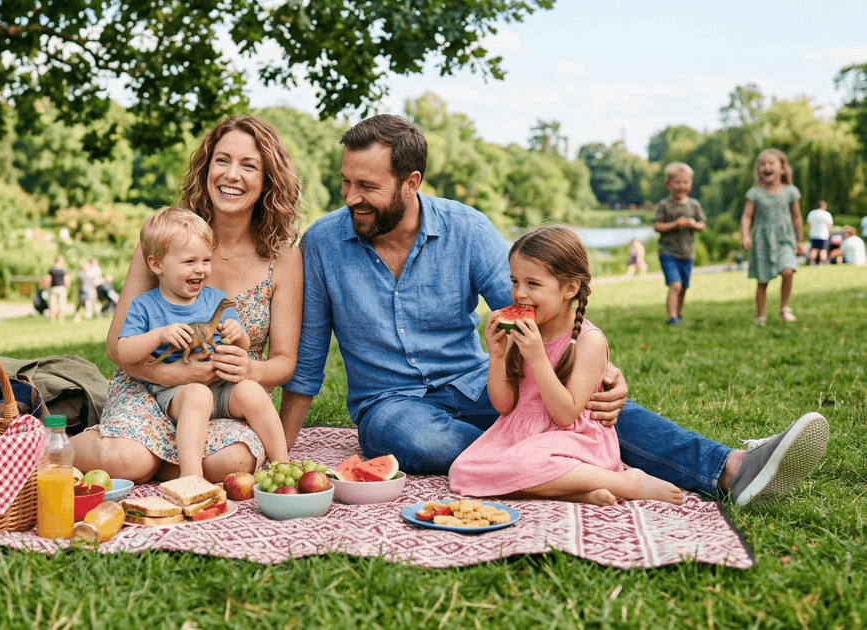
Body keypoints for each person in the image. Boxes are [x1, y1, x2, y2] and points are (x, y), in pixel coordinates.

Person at [279, 114, 828, 506]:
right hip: (390, 405)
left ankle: (730, 467)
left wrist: (600, 368)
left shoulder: (465, 228)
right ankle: (586, 474)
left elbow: (534, 306)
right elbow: (308, 359)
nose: (350, 196)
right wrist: (280, 454)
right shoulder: (324, 242)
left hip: (476, 382)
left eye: (366, 186)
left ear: (411, 182)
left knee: (584, 413)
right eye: (347, 181)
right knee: (420, 439)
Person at [70, 115, 304, 483]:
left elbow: (284, 362)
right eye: (222, 160)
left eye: (249, 165)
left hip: (228, 398)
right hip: (150, 387)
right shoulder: (166, 238)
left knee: (233, 463)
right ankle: (55, 447)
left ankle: (159, 461)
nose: (231, 175)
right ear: (206, 167)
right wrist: (170, 373)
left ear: (267, 180)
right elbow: (117, 347)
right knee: (128, 461)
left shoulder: (284, 257)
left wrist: (250, 370)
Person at [450, 227, 683, 506]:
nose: (519, 293)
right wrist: (497, 357)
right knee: (462, 472)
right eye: (514, 281)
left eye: (532, 284)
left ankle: (625, 481)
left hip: (572, 439)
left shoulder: (589, 341)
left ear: (569, 288)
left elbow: (565, 415)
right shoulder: (522, 332)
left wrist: (536, 357)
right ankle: (576, 492)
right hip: (519, 434)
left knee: (526, 464)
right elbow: (503, 405)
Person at [117, 207, 292, 479]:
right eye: (189, 262)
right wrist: (159, 335)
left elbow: (243, 345)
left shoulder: (214, 299)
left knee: (251, 391)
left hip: (221, 387)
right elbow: (123, 350)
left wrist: (238, 332)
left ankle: (283, 466)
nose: (200, 269)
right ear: (156, 265)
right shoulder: (146, 305)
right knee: (197, 395)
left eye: (206, 260)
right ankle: (192, 478)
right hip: (175, 392)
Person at [740, 148, 806, 326]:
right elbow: (746, 216)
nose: (766, 167)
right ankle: (761, 315)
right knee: (762, 280)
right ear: (758, 170)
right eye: (762, 164)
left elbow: (797, 217)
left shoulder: (791, 192)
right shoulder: (754, 193)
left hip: (785, 237)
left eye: (771, 163)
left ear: (782, 169)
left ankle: (784, 307)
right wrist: (745, 236)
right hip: (762, 239)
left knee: (788, 270)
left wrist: (800, 241)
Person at [652, 162, 705, 325]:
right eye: (677, 182)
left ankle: (678, 314)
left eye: (685, 182)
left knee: (683, 287)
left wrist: (692, 225)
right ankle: (672, 317)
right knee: (675, 284)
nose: (681, 186)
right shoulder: (664, 205)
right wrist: (675, 224)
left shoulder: (694, 205)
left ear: (691, 184)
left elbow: (702, 225)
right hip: (668, 252)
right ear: (668, 184)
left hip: (687, 253)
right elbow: (657, 226)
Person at [805, 201, 833, 265]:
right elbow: (830, 226)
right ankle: (822, 263)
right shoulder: (827, 214)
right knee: (823, 250)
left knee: (813, 249)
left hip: (813, 234)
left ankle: (812, 262)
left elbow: (808, 224)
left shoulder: (812, 213)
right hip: (823, 235)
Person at [44, 255, 69, 324]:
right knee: (61, 304)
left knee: (52, 304)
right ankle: (61, 320)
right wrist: (67, 288)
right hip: (61, 288)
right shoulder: (63, 270)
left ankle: (52, 319)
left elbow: (48, 279)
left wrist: (47, 288)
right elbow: (66, 280)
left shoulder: (51, 270)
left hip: (53, 288)